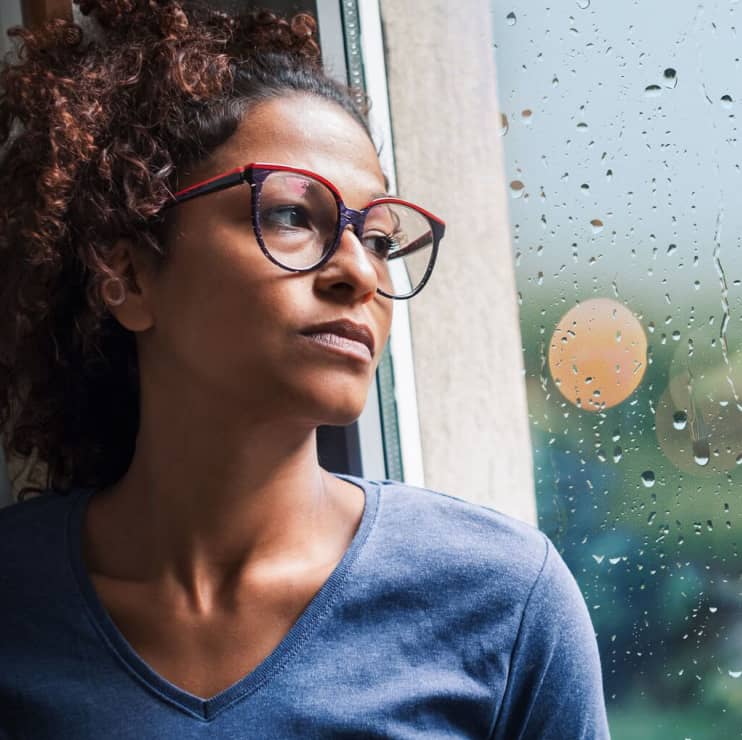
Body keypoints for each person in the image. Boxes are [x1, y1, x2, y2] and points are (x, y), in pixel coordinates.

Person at [0, 1, 610, 737]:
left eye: (381, 240)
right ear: (129, 276)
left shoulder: (506, 603)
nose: (359, 271)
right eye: (292, 215)